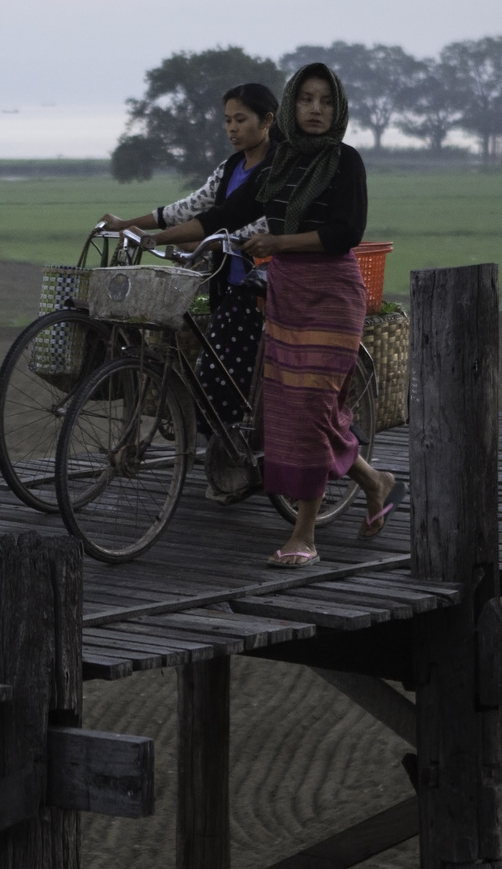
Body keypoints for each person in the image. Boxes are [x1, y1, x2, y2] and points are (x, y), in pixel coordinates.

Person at [140, 62, 394, 566]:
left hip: (332, 294)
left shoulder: (345, 162)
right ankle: (376, 480)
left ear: (337, 107)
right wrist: (149, 237)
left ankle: (305, 535)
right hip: (286, 293)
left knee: (311, 409)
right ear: (292, 107)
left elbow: (346, 231)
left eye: (324, 100)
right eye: (306, 100)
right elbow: (221, 215)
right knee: (291, 407)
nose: (315, 109)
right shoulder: (281, 164)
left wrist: (278, 241)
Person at [100, 84, 279, 499]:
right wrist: (134, 224)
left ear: (267, 121)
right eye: (228, 120)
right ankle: (226, 458)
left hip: (262, 284)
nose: (232, 128)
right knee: (218, 373)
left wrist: (207, 239)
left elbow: (256, 225)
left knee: (221, 376)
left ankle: (238, 460)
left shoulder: (277, 170)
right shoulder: (230, 167)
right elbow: (192, 207)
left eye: (242, 120)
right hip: (225, 283)